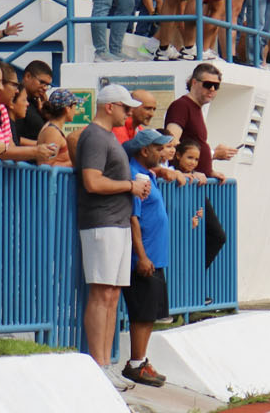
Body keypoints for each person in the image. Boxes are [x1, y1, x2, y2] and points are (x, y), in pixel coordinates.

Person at [73, 83, 150, 391]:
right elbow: (92, 181)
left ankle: (106, 363)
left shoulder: (106, 137)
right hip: (101, 222)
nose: (128, 112)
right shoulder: (94, 136)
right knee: (101, 293)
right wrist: (128, 186)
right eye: (125, 107)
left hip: (115, 222)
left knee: (112, 294)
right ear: (110, 107)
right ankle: (99, 362)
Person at [122, 127, 176, 387]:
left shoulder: (148, 174)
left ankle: (141, 359)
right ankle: (135, 363)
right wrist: (141, 255)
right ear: (144, 151)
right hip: (145, 258)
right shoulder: (135, 175)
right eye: (158, 148)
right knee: (142, 313)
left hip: (156, 255)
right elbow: (134, 218)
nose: (162, 153)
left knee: (150, 313)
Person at [163, 62, 236, 182]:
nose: (212, 89)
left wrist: (210, 171)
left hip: (196, 182)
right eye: (207, 84)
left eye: (216, 86)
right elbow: (172, 143)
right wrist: (189, 172)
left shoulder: (194, 108)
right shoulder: (181, 106)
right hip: (187, 184)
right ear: (194, 83)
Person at [36, 88, 77, 167]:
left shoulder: (52, 129)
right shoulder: (52, 132)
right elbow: (46, 166)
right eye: (75, 107)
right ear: (67, 109)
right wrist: (75, 163)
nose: (75, 111)